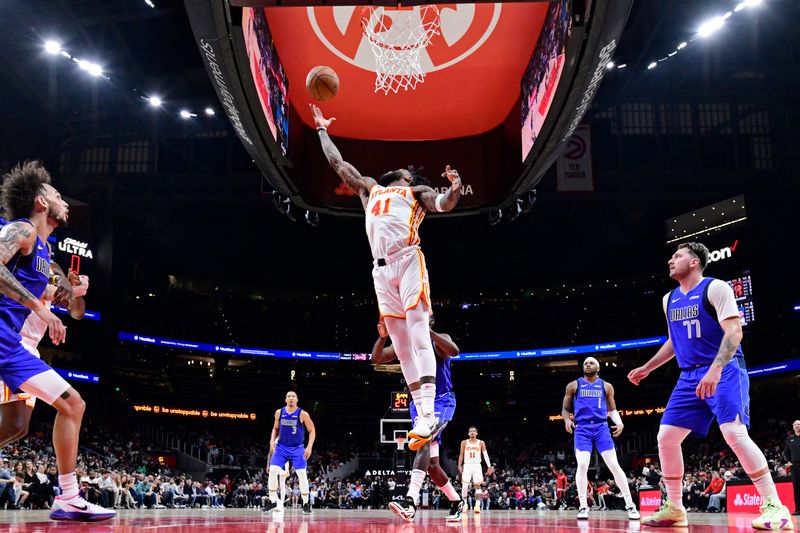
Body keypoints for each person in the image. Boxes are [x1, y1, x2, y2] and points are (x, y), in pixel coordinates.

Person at [311, 103, 463, 444]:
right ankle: (423, 414)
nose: (399, 169)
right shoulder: (370, 189)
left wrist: (453, 189)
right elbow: (338, 164)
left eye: (405, 169)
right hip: (380, 271)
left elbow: (444, 204)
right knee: (402, 346)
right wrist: (322, 129)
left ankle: (427, 416)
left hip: (408, 259)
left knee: (420, 330)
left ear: (409, 177)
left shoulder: (414, 192)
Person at [628, 242, 792, 529]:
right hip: (688, 375)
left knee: (734, 434)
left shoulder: (716, 288)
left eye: (677, 256)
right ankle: (675, 509)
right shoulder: (669, 299)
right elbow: (673, 342)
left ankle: (776, 508)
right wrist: (647, 367)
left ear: (694, 262)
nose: (670, 260)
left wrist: (715, 370)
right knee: (665, 437)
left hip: (725, 368)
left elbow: (734, 331)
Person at [0, 161, 114, 521]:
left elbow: (69, 305)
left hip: (12, 347)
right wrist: (41, 307)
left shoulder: (45, 254)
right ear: (39, 202)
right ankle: (67, 495)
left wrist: (74, 293)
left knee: (23, 422)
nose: (64, 202)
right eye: (56, 195)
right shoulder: (21, 230)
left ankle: (68, 497)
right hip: (6, 339)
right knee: (71, 405)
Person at [371, 315, 464, 522]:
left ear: (429, 321)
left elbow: (454, 351)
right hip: (418, 403)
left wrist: (427, 333)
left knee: (423, 440)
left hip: (440, 400)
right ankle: (457, 501)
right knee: (431, 465)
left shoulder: (437, 338)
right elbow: (376, 358)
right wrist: (383, 338)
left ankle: (410, 501)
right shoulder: (405, 341)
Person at [0, 260, 89, 446]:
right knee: (14, 424)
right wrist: (74, 288)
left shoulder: (52, 267)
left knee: (18, 427)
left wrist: (75, 290)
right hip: (14, 341)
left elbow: (77, 313)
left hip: (30, 348)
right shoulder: (23, 262)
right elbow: (48, 284)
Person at [561, 356, 640, 520]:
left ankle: (630, 505)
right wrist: (567, 419)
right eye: (585, 363)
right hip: (582, 428)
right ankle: (583, 506)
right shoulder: (573, 385)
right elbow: (565, 408)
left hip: (601, 427)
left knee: (613, 464)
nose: (587, 365)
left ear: (598, 367)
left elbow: (612, 410)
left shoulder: (607, 386)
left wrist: (619, 423)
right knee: (582, 464)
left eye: (591, 363)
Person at [263, 391, 316, 514]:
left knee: (302, 474)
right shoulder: (279, 412)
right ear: (285, 399)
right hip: (281, 447)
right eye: (289, 396)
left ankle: (306, 503)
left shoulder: (303, 414)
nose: (291, 398)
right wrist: (272, 441)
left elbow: (312, 430)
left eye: (293, 396)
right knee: (273, 471)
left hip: (297, 448)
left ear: (297, 400)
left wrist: (309, 447)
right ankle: (272, 501)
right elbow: (275, 429)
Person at [458, 426, 494, 513]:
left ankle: (477, 505)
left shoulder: (481, 443)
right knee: (465, 486)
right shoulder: (464, 442)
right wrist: (459, 465)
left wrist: (489, 466)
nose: (472, 433)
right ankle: (465, 504)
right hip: (467, 465)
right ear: (468, 433)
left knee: (478, 486)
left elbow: (485, 455)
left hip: (477, 465)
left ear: (477, 433)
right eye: (471, 431)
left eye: (474, 431)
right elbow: (461, 455)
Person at [786, 420, 800, 516]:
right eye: (794, 424)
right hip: (795, 466)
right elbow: (786, 452)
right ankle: (798, 509)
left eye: (798, 424)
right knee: (797, 488)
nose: (796, 426)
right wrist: (789, 462)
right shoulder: (789, 439)